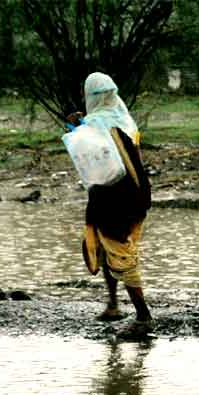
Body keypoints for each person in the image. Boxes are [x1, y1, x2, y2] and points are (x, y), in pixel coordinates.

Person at [69, 72, 153, 337]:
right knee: (110, 249)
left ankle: (143, 315)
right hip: (137, 193)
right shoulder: (126, 120)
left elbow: (89, 157)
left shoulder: (93, 124)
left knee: (118, 252)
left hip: (110, 197)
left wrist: (76, 127)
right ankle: (113, 304)